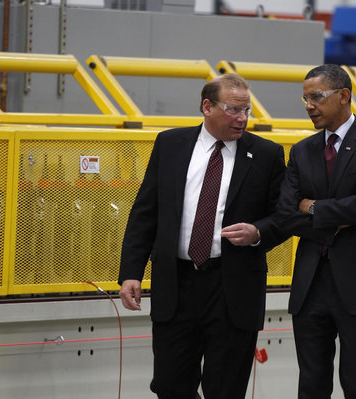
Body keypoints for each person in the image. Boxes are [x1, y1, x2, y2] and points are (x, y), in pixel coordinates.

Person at [118, 73, 286, 399]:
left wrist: (257, 232)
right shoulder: (170, 145)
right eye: (233, 109)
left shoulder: (266, 155)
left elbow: (284, 216)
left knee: (224, 390)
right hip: (176, 286)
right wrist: (130, 273)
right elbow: (145, 213)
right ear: (207, 106)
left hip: (232, 288)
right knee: (170, 386)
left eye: (247, 110)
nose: (242, 119)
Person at [277, 64, 356, 399]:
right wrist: (341, 213)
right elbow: (287, 216)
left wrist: (313, 206)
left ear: (344, 96)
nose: (309, 106)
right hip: (311, 283)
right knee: (312, 384)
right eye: (305, 99)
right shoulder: (302, 151)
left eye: (316, 97)